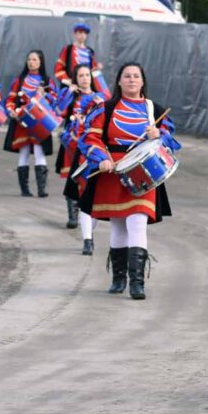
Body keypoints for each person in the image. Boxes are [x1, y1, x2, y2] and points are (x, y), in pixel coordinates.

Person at [78, 63, 178, 300]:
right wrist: (102, 158)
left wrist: (160, 135)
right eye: (127, 76)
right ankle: (118, 279)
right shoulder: (106, 108)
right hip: (111, 173)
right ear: (119, 81)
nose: (132, 80)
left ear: (143, 81)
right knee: (118, 227)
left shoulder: (155, 110)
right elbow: (89, 137)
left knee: (137, 222)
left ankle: (137, 283)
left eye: (136, 76)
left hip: (143, 174)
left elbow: (171, 143)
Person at [56, 64, 103, 248]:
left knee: (90, 185)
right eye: (81, 76)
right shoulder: (72, 95)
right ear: (76, 78)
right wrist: (68, 92)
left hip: (91, 147)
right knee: (73, 179)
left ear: (91, 78)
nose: (84, 78)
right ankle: (72, 215)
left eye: (87, 75)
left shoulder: (99, 98)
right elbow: (58, 110)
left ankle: (87, 229)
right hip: (72, 144)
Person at [3, 50, 59, 198]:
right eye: (29, 59)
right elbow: (10, 100)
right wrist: (11, 111)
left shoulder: (47, 82)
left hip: (40, 122)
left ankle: (42, 189)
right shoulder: (19, 81)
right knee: (24, 153)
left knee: (40, 152)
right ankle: (25, 189)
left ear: (40, 62)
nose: (31, 62)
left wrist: (44, 94)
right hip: (23, 123)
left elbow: (55, 101)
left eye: (34, 59)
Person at [54, 22, 106, 94]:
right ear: (75, 34)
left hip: (86, 88)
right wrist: (68, 81)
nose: (82, 35)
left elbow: (92, 69)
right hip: (72, 87)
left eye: (85, 33)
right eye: (80, 32)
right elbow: (59, 68)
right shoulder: (68, 49)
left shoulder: (90, 51)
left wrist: (97, 67)